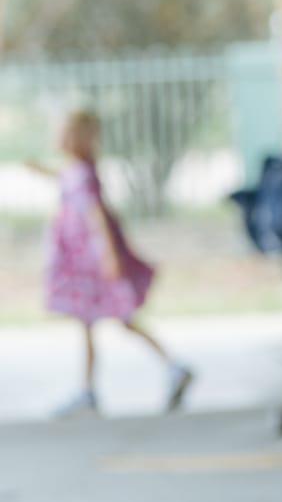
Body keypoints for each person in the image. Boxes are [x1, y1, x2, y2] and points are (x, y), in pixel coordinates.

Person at [31, 109, 193, 417]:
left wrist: (109, 255)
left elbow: (96, 214)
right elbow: (63, 179)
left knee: (118, 319)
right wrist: (39, 171)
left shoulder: (82, 173)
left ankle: (170, 367)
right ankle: (89, 389)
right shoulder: (77, 170)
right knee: (92, 323)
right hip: (84, 260)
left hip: (91, 262)